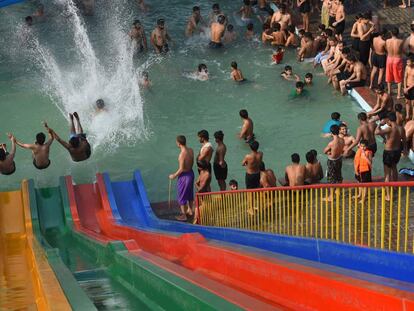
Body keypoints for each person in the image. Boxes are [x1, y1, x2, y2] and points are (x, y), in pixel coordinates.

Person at [375, 112, 405, 199]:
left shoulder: (389, 129)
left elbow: (376, 132)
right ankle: (395, 187)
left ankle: (388, 195)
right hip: (397, 151)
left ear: (389, 120)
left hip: (389, 152)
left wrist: (379, 124)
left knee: (387, 174)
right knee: (394, 167)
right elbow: (405, 140)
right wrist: (405, 150)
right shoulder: (401, 128)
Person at [169, 135, 195, 221]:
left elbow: (181, 169)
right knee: (190, 193)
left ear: (178, 143)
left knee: (182, 195)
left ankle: (183, 215)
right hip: (191, 173)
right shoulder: (191, 150)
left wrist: (173, 175)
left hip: (184, 176)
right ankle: (190, 210)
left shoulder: (181, 155)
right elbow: (192, 162)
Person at [386, 27, 404, 99]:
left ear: (391, 33)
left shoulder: (387, 41)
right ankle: (399, 95)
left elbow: (387, 49)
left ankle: (389, 92)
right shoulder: (401, 41)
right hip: (397, 59)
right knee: (399, 77)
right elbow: (402, 50)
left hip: (389, 59)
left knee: (389, 76)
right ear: (398, 33)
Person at [404, 54, 414, 121]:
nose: (407, 63)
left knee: (413, 104)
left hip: (412, 88)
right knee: (407, 102)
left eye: (408, 62)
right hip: (406, 87)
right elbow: (405, 77)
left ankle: (413, 118)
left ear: (413, 62)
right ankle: (407, 115)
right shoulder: (407, 67)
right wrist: (405, 87)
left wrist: (408, 88)